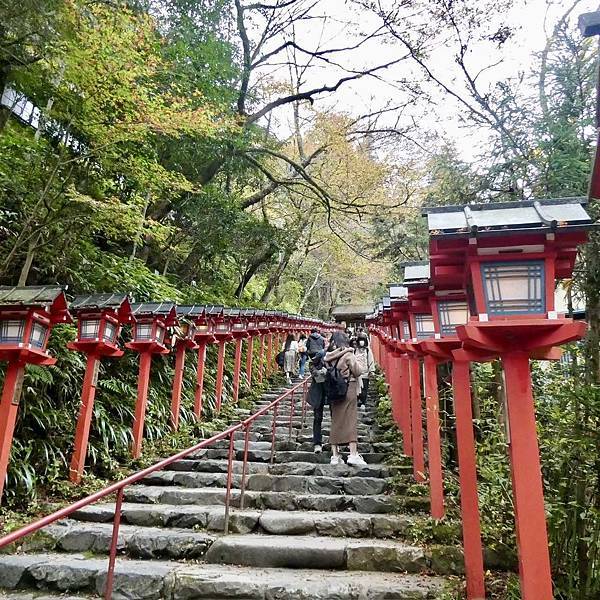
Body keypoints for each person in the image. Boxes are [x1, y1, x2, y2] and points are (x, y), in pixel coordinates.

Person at [324, 331, 366, 466]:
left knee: (336, 421)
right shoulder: (348, 355)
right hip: (348, 388)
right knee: (350, 420)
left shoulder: (328, 357)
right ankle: (353, 454)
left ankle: (335, 456)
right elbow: (358, 371)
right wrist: (359, 360)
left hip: (333, 390)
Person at [307, 349, 328, 453]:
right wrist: (317, 374)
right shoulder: (321, 354)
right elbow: (311, 364)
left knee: (336, 417)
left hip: (331, 390)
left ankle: (335, 443)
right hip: (318, 389)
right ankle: (317, 443)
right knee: (317, 417)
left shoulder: (340, 355)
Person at [354, 332, 375, 409]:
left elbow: (370, 360)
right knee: (356, 388)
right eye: (360, 340)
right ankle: (357, 401)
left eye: (363, 340)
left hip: (365, 373)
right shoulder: (354, 350)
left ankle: (363, 402)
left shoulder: (367, 351)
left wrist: (371, 370)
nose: (361, 342)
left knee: (364, 389)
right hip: (356, 373)